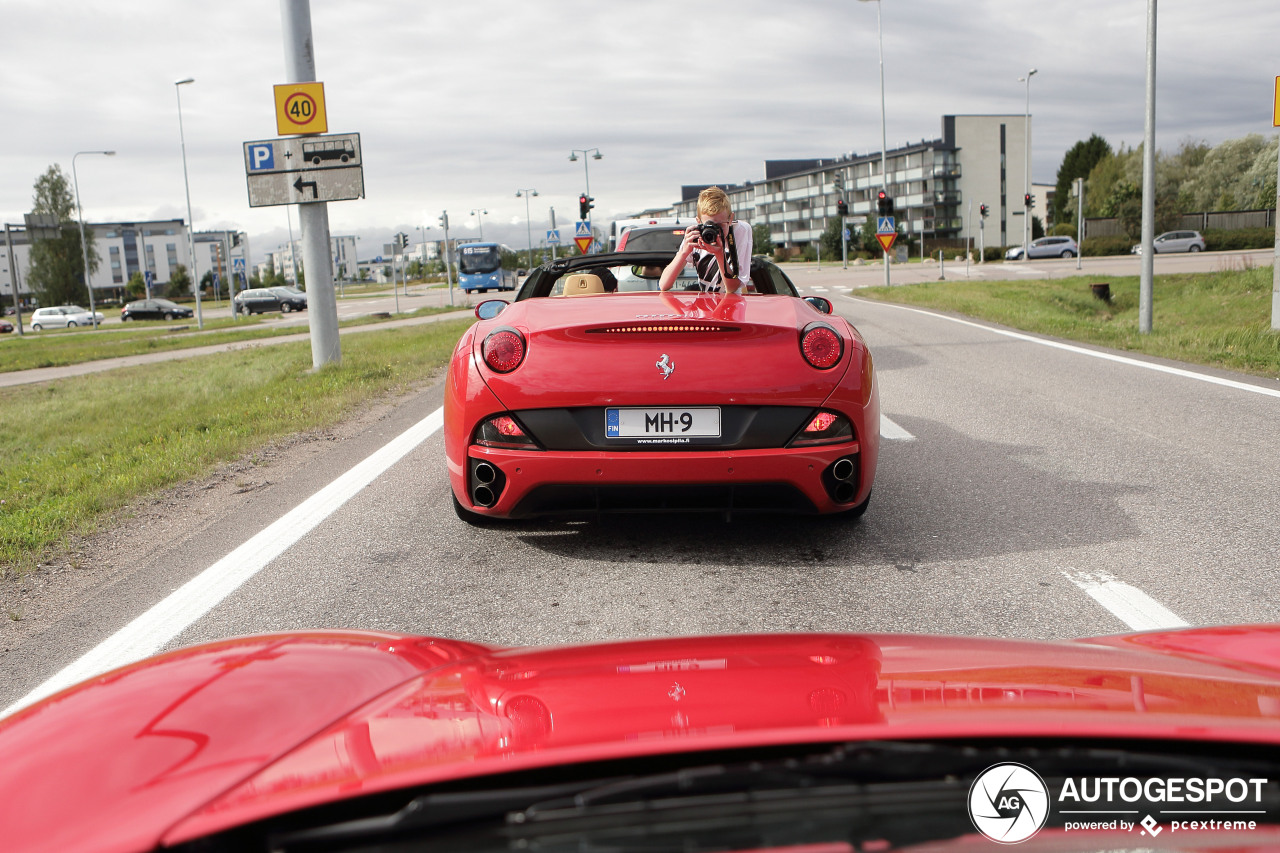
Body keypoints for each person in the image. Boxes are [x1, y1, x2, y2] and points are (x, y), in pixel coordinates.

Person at [659, 187, 752, 293]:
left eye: (720, 226)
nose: (716, 232)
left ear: (730, 219)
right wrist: (684, 252)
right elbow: (663, 285)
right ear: (699, 222)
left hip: (731, 306)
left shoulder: (740, 231)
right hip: (705, 306)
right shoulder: (696, 234)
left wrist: (719, 253)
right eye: (710, 226)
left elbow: (732, 288)